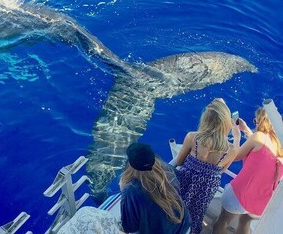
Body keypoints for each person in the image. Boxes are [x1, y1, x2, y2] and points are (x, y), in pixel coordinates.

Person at [174, 98, 240, 234]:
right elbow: (223, 170)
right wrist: (237, 137)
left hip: (185, 180)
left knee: (176, 207)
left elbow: (179, 162)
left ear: (205, 119)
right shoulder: (232, 149)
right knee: (196, 214)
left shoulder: (192, 137)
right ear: (226, 123)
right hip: (207, 187)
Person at [213, 107, 283, 234]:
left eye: (256, 121)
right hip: (261, 203)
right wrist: (246, 130)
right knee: (244, 224)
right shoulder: (280, 145)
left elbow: (235, 156)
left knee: (222, 223)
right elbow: (263, 150)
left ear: (260, 122)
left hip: (239, 197)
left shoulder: (259, 137)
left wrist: (236, 136)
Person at [120, 142, 191, 234]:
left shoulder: (131, 191)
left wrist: (123, 191)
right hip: (184, 226)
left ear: (130, 165)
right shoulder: (168, 169)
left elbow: (130, 227)